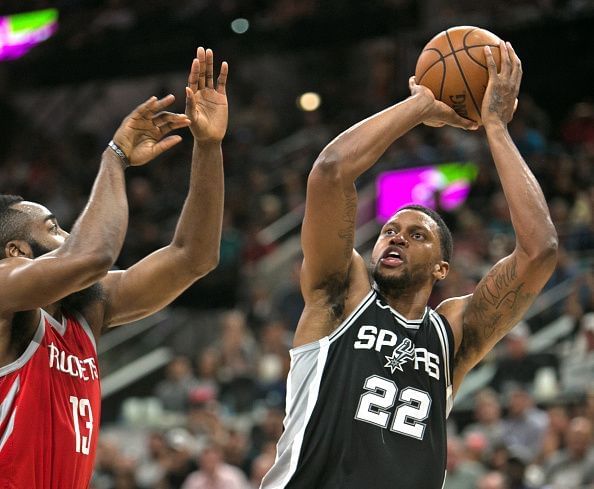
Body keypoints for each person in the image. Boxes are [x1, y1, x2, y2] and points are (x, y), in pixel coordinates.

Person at [261, 42, 558, 489]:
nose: (396, 235)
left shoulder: (452, 333)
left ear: (441, 268)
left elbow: (540, 251)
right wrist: (419, 105)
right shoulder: (341, 296)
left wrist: (495, 126)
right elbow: (331, 172)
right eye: (388, 231)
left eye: (417, 235)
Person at [0, 46, 228, 488]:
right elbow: (91, 256)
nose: (68, 236)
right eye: (54, 228)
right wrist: (115, 157)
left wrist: (209, 147)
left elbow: (193, 257)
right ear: (16, 252)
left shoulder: (86, 309)